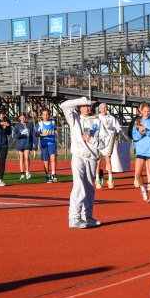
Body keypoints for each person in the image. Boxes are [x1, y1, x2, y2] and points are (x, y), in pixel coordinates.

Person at [61, 97, 105, 229]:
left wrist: (92, 140)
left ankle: (87, 216)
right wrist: (83, 100)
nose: (87, 108)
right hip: (78, 156)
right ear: (79, 106)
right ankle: (74, 217)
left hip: (92, 158)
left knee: (89, 189)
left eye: (88, 106)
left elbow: (104, 143)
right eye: (84, 106)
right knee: (79, 186)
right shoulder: (74, 118)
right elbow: (64, 105)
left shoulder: (98, 121)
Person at [132, 102, 150, 203]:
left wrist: (147, 132)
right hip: (140, 149)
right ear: (141, 111)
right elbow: (134, 136)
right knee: (137, 174)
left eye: (148, 111)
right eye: (145, 111)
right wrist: (140, 133)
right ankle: (143, 190)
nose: (147, 113)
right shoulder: (138, 121)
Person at [96, 102, 121, 189]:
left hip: (109, 141)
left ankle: (110, 179)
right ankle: (97, 180)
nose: (103, 109)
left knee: (108, 160)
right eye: (102, 108)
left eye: (105, 107)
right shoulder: (97, 118)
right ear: (99, 109)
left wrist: (116, 136)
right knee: (98, 160)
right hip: (99, 140)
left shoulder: (111, 118)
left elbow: (117, 127)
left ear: (107, 109)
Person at [36, 108, 58, 183]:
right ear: (42, 115)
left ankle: (53, 174)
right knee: (46, 160)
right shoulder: (40, 124)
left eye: (47, 114)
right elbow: (36, 133)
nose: (46, 116)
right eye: (44, 114)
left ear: (49, 115)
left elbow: (55, 129)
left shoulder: (53, 122)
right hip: (44, 144)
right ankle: (47, 175)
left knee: (53, 158)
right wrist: (42, 134)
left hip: (52, 143)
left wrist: (55, 131)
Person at [14, 113, 34, 180]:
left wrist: (34, 143)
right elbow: (15, 136)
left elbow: (32, 134)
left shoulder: (29, 125)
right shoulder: (17, 126)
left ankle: (27, 172)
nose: (23, 119)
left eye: (24, 118)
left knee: (26, 157)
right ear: (19, 118)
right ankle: (22, 173)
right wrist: (20, 133)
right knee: (21, 158)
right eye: (21, 118)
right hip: (20, 143)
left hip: (27, 143)